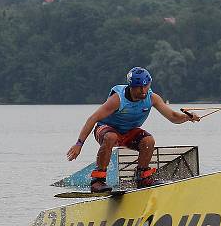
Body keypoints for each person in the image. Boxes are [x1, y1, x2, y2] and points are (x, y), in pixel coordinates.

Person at [66, 67, 199, 193]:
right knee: (111, 137)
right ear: (131, 86)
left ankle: (142, 178)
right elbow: (92, 119)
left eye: (146, 86)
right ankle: (97, 181)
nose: (143, 90)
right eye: (138, 87)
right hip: (105, 129)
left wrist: (188, 117)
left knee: (148, 141)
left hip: (128, 132)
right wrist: (79, 144)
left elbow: (173, 117)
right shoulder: (118, 99)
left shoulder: (152, 98)